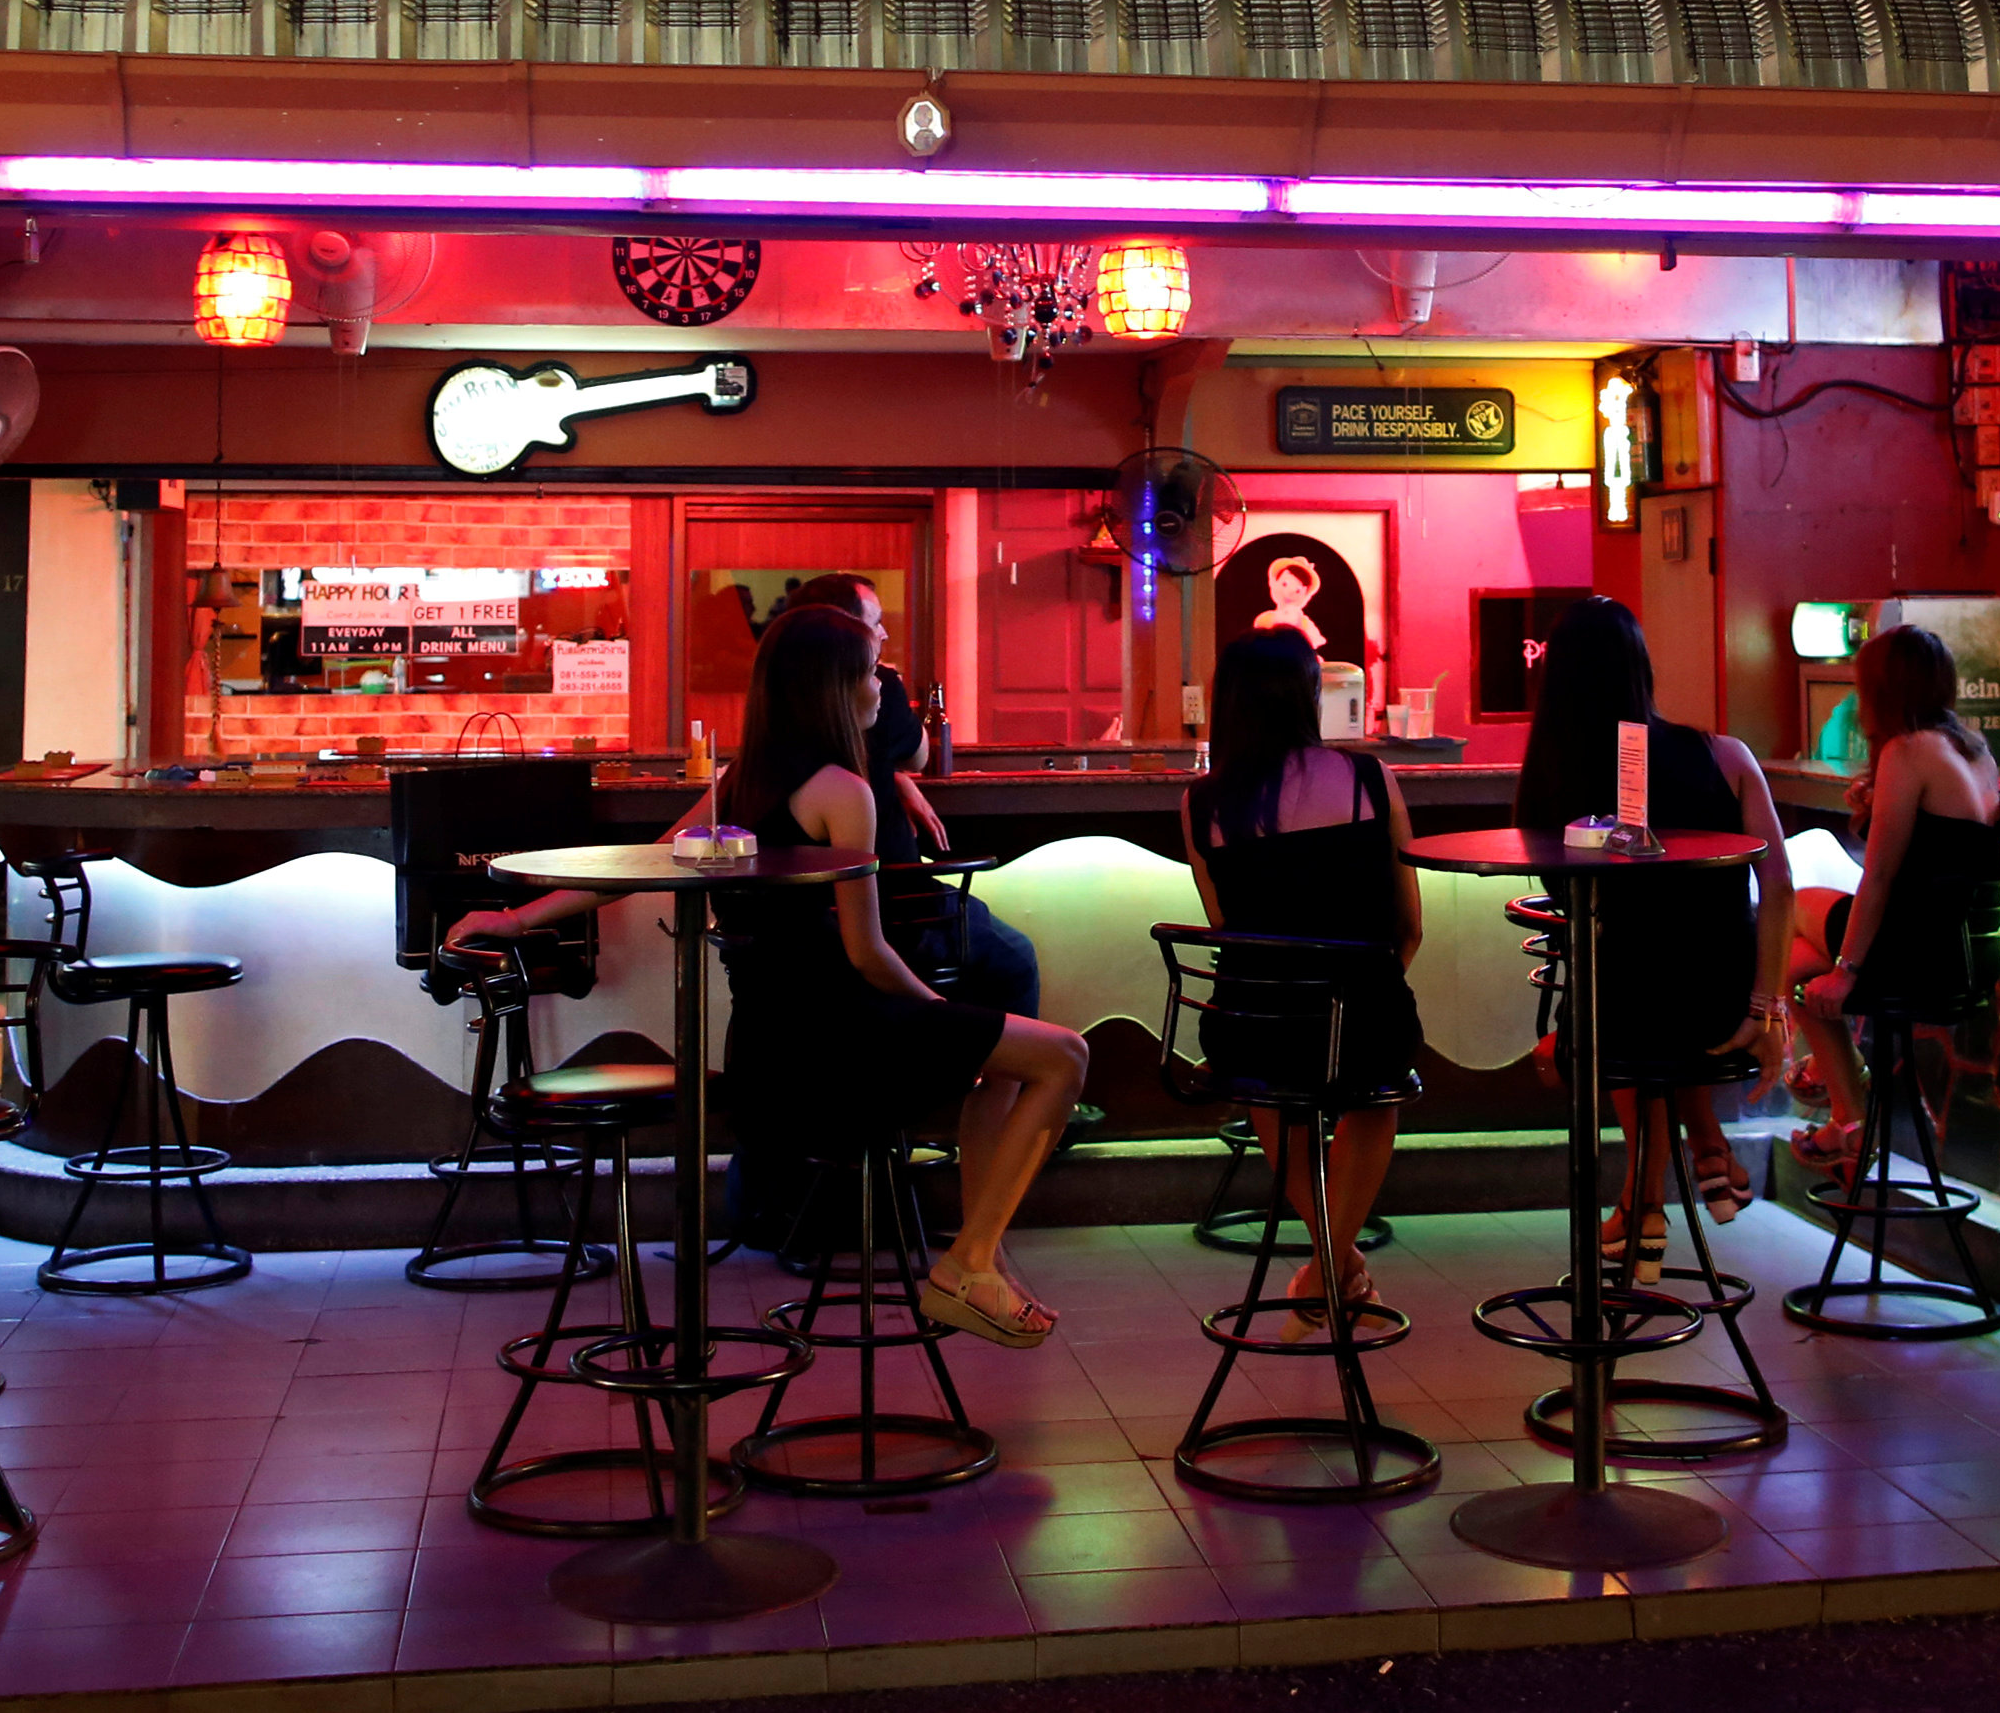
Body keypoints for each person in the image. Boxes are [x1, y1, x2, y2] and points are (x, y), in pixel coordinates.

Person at [450, 604, 1089, 1347]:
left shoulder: (743, 781)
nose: (882, 682)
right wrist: (940, 1015)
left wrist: (515, 919)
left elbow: (640, 866)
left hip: (765, 1052)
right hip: (839, 1048)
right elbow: (867, 954)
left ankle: (975, 1263)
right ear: (833, 687)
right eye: (867, 670)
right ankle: (970, 1262)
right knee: (1065, 1055)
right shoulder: (842, 793)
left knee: (1020, 1057)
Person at [1511, 596, 1797, 1258]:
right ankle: (1684, 1167)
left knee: (1629, 991)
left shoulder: (1553, 780)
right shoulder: (1725, 756)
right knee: (1661, 980)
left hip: (1613, 1015)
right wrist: (1768, 1007)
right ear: (1643, 667)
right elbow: (1778, 884)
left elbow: (1562, 893)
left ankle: (1642, 1205)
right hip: (1722, 1007)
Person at [1181, 627, 1424, 1337]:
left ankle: (1328, 1263)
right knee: (1376, 1085)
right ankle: (1331, 1263)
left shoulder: (1202, 803)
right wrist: (1356, 994)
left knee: (1265, 1061)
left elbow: (1229, 929)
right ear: (1309, 697)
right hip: (1362, 1017)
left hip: (1256, 1024)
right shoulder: (1369, 781)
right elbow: (1409, 926)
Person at [770, 573, 1040, 1019]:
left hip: (790, 967)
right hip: (899, 911)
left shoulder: (762, 766)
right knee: (1016, 962)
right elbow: (917, 756)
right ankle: (968, 1076)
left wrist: (893, 779)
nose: (885, 635)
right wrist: (942, 1016)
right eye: (874, 623)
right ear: (844, 641)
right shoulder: (845, 789)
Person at [1790, 623, 2000, 1171]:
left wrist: (1847, 971)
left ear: (1882, 691)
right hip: (1953, 953)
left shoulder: (1908, 751)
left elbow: (1882, 876)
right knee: (1795, 966)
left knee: (1790, 910)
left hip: (1908, 951)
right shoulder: (1975, 751)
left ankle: (1844, 1087)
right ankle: (1849, 1118)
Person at [1250, 555, 1328, 651]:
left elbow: (1312, 642)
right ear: (1274, 583)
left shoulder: (1303, 623)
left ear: (1305, 595)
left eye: (1298, 591)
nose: (1289, 593)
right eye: (1284, 584)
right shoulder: (1266, 619)